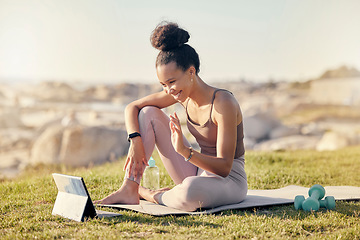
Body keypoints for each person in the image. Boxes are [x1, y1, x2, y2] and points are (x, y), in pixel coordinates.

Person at [95, 22, 247, 211]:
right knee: (148, 113)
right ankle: (129, 187)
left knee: (190, 192)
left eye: (172, 82)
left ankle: (149, 194)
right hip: (199, 172)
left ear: (191, 71)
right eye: (163, 84)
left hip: (229, 179)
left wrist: (185, 152)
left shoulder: (223, 102)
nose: (169, 90)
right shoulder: (181, 93)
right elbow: (132, 107)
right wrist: (135, 141)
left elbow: (224, 166)